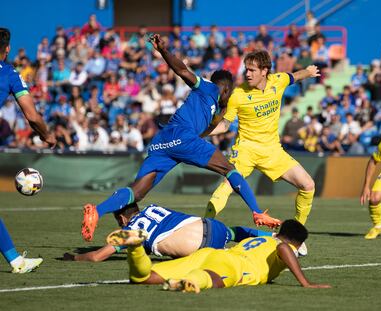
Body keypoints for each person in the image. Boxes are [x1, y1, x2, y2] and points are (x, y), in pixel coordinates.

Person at [81, 34, 280, 242]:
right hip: (182, 137)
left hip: (162, 141)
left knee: (137, 193)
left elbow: (213, 126)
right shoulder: (208, 87)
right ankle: (257, 212)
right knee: (230, 170)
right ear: (226, 89)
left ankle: (97, 210)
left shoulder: (211, 109)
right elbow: (182, 70)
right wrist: (164, 51)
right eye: (229, 95)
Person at [205, 50, 319, 233]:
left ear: (265, 71)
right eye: (246, 69)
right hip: (245, 151)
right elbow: (225, 126)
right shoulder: (238, 94)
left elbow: (295, 77)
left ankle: (295, 233)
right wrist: (199, 134)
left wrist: (309, 71)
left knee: (308, 185)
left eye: (252, 70)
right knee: (226, 187)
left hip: (272, 150)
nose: (247, 74)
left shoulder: (278, 81)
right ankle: (204, 228)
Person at [106, 219, 330, 292]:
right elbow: (283, 249)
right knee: (215, 280)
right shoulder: (284, 246)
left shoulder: (260, 240)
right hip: (235, 265)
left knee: (143, 278)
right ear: (295, 242)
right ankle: (191, 282)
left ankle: (135, 246)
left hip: (209, 254)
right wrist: (305, 282)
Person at [0, 28, 56, 273]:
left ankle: (16, 260)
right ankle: (16, 262)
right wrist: (47, 134)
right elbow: (31, 115)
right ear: (8, 48)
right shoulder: (10, 74)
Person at [65, 202, 272, 262]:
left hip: (198, 247)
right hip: (212, 226)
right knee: (235, 233)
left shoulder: (129, 230)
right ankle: (274, 238)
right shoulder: (153, 207)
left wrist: (73, 257)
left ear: (121, 219)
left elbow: (97, 256)